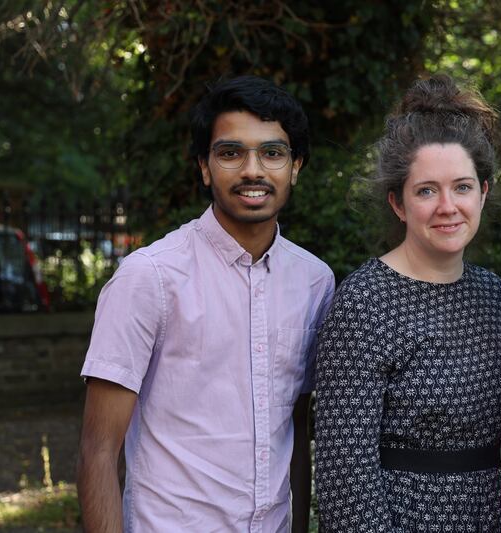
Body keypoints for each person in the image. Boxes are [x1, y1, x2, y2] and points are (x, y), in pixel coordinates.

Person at [76, 75, 335, 533]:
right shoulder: (149, 277)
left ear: (296, 166)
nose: (253, 170)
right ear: (204, 167)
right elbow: (98, 450)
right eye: (231, 152)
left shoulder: (315, 281)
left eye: (272, 153)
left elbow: (294, 428)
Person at [313, 74, 501, 531]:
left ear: (483, 192)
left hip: (489, 517)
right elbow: (344, 471)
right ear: (399, 204)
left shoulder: (494, 295)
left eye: (462, 187)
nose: (447, 206)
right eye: (426, 190)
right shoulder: (365, 302)